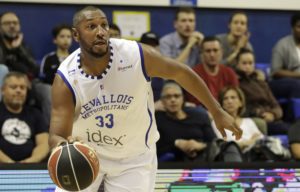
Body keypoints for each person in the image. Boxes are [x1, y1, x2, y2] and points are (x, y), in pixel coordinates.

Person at [48, 6, 242, 192]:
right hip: (87, 155)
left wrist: (216, 110)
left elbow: (182, 73)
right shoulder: (66, 77)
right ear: (76, 35)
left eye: (104, 25)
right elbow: (56, 134)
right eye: (91, 26)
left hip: (134, 157)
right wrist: (63, 146)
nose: (100, 32)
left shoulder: (136, 55)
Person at [156, 82, 242, 162]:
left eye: (176, 96)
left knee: (230, 146)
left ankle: (236, 176)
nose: (173, 100)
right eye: (168, 97)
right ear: (162, 101)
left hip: (204, 157)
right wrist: (177, 144)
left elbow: (213, 141)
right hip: (174, 161)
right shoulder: (158, 119)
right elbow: (155, 148)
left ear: (183, 99)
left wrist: (200, 146)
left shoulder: (199, 115)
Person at [236, 48, 288, 135]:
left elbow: (275, 104)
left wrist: (273, 114)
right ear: (237, 64)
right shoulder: (237, 83)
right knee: (289, 131)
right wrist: (260, 114)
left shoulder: (261, 82)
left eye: (250, 63)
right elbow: (242, 107)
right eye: (244, 63)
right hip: (255, 120)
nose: (248, 66)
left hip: (272, 118)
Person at [0, 72, 49, 163]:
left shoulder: (36, 114)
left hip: (30, 168)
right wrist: (9, 164)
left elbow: (44, 143)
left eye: (22, 87)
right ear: (3, 90)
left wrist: (30, 162)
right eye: (13, 87)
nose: (19, 91)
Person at [186, 36, 239, 106]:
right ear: (202, 54)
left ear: (221, 52)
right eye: (208, 51)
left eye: (215, 50)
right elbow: (194, 102)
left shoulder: (229, 73)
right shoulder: (194, 74)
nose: (212, 55)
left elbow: (236, 98)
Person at [269, 13, 300, 105]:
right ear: (292, 28)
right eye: (299, 27)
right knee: (297, 85)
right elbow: (275, 72)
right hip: (283, 83)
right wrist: (298, 75)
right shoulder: (282, 45)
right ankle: (297, 117)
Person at [0, 11, 38, 79]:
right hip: (4, 82)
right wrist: (12, 50)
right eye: (7, 23)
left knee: (45, 88)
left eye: (15, 23)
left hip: (23, 82)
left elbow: (35, 68)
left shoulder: (23, 46)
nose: (12, 26)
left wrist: (18, 49)